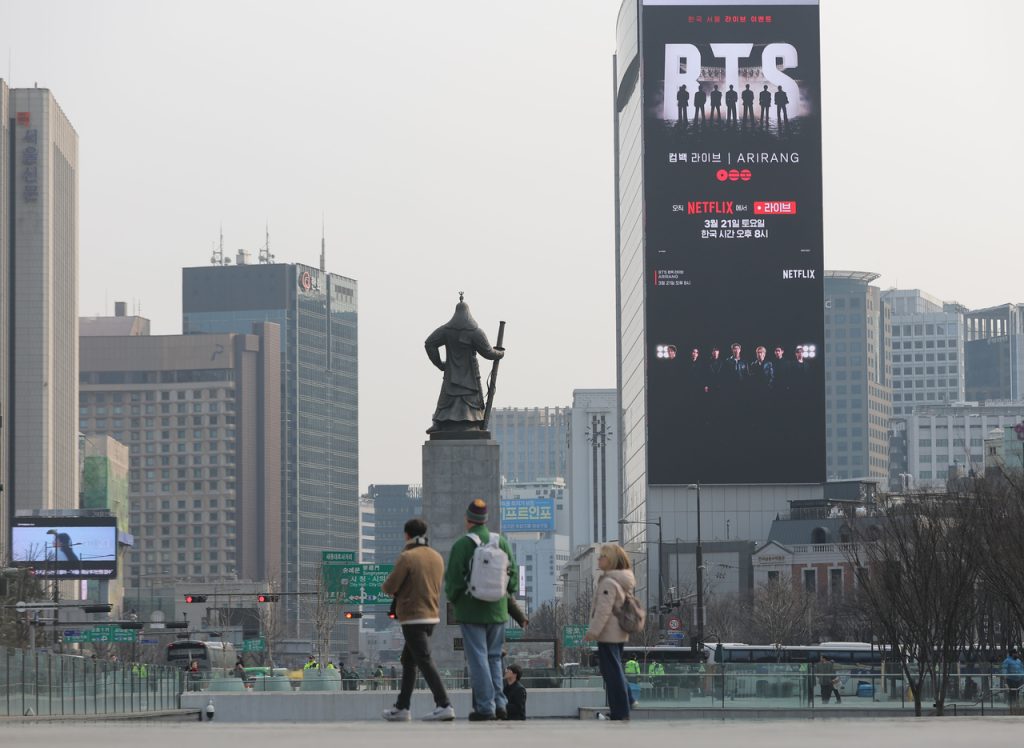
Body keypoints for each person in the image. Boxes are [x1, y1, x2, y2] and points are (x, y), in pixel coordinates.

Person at [444, 499, 519, 721]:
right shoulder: (501, 542)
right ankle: (500, 703)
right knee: (495, 658)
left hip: (471, 610)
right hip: (497, 610)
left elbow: (453, 581)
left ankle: (486, 707)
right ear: (486, 520)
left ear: (468, 520)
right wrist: (507, 594)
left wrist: (456, 600)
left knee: (478, 658)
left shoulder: (462, 545)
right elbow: (513, 575)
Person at [380, 517, 455, 722]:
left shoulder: (408, 557)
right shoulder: (436, 556)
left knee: (423, 659)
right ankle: (402, 706)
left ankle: (444, 704)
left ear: (407, 535)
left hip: (413, 616)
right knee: (408, 660)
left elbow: (390, 586)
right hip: (431, 615)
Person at [424, 295, 504, 434]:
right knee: (455, 398)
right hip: (469, 376)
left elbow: (429, 344)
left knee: (448, 397)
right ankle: (443, 423)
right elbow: (488, 353)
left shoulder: (446, 330)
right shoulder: (475, 332)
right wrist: (500, 353)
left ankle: (440, 422)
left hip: (456, 374)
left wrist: (440, 364)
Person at [583, 544, 635, 721]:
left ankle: (621, 711)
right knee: (615, 669)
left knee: (611, 673)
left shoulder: (608, 582)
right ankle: (628, 700)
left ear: (611, 560)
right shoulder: (621, 579)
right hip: (619, 631)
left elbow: (603, 610)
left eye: (602, 556)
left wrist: (593, 631)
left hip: (608, 632)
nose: (599, 559)